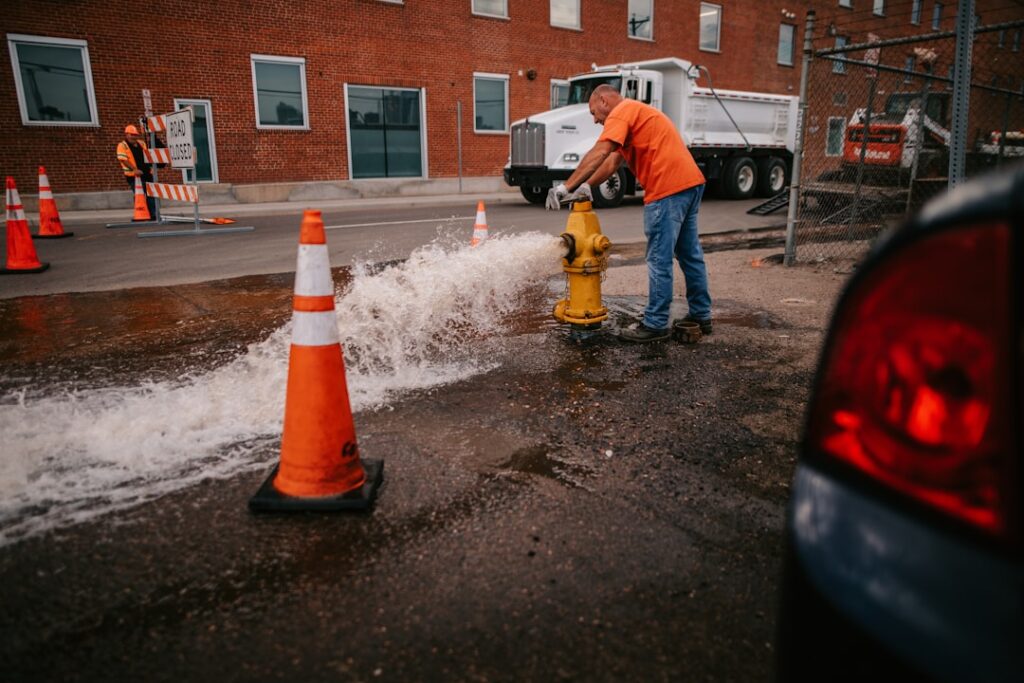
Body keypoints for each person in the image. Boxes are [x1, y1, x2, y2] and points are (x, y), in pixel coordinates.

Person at [546, 84, 712, 343]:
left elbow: (601, 151)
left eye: (593, 113)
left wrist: (565, 187)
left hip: (666, 189)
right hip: (689, 184)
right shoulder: (636, 113)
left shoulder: (621, 113)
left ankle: (656, 324)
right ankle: (701, 315)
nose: (595, 120)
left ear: (604, 100)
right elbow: (613, 161)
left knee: (659, 259)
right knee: (690, 255)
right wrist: (586, 187)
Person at [116, 124, 157, 220]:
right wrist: (134, 169)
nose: (134, 137)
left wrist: (151, 168)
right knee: (139, 196)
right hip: (134, 176)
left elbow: (148, 156)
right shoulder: (122, 145)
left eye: (135, 135)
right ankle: (142, 215)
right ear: (127, 134)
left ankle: (153, 215)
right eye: (132, 134)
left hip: (147, 174)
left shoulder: (142, 143)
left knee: (151, 195)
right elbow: (123, 159)